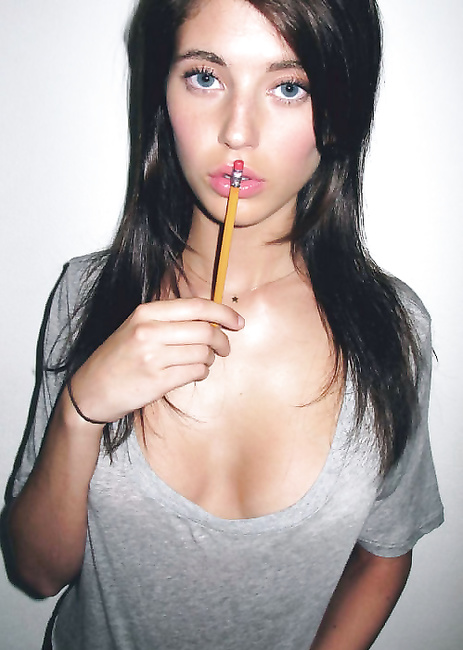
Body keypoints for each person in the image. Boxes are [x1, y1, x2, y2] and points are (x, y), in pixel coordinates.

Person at [5, 0, 444, 648]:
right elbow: (39, 572)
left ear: (339, 111)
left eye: (288, 87)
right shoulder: (88, 295)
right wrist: (79, 412)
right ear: (163, 92)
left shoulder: (392, 330)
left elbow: (385, 551)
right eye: (205, 77)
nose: (238, 131)